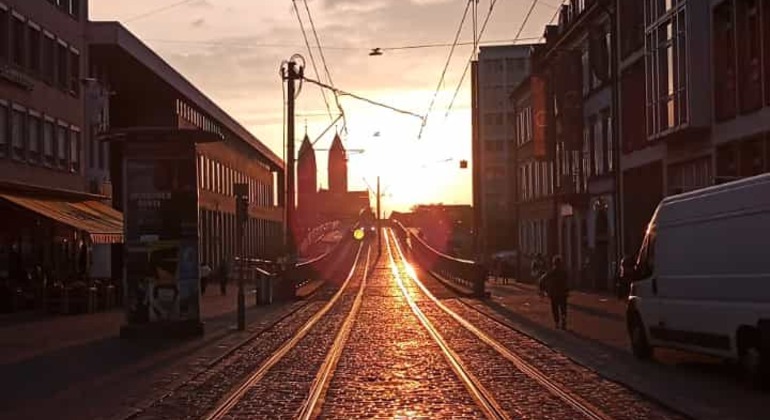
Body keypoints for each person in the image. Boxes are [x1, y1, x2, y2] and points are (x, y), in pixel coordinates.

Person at [539, 255, 569, 329]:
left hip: (554, 294)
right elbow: (568, 282)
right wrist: (567, 290)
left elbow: (542, 280)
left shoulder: (551, 272)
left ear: (553, 263)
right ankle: (563, 319)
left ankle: (557, 322)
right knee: (563, 308)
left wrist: (543, 289)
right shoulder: (564, 273)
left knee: (555, 309)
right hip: (563, 293)